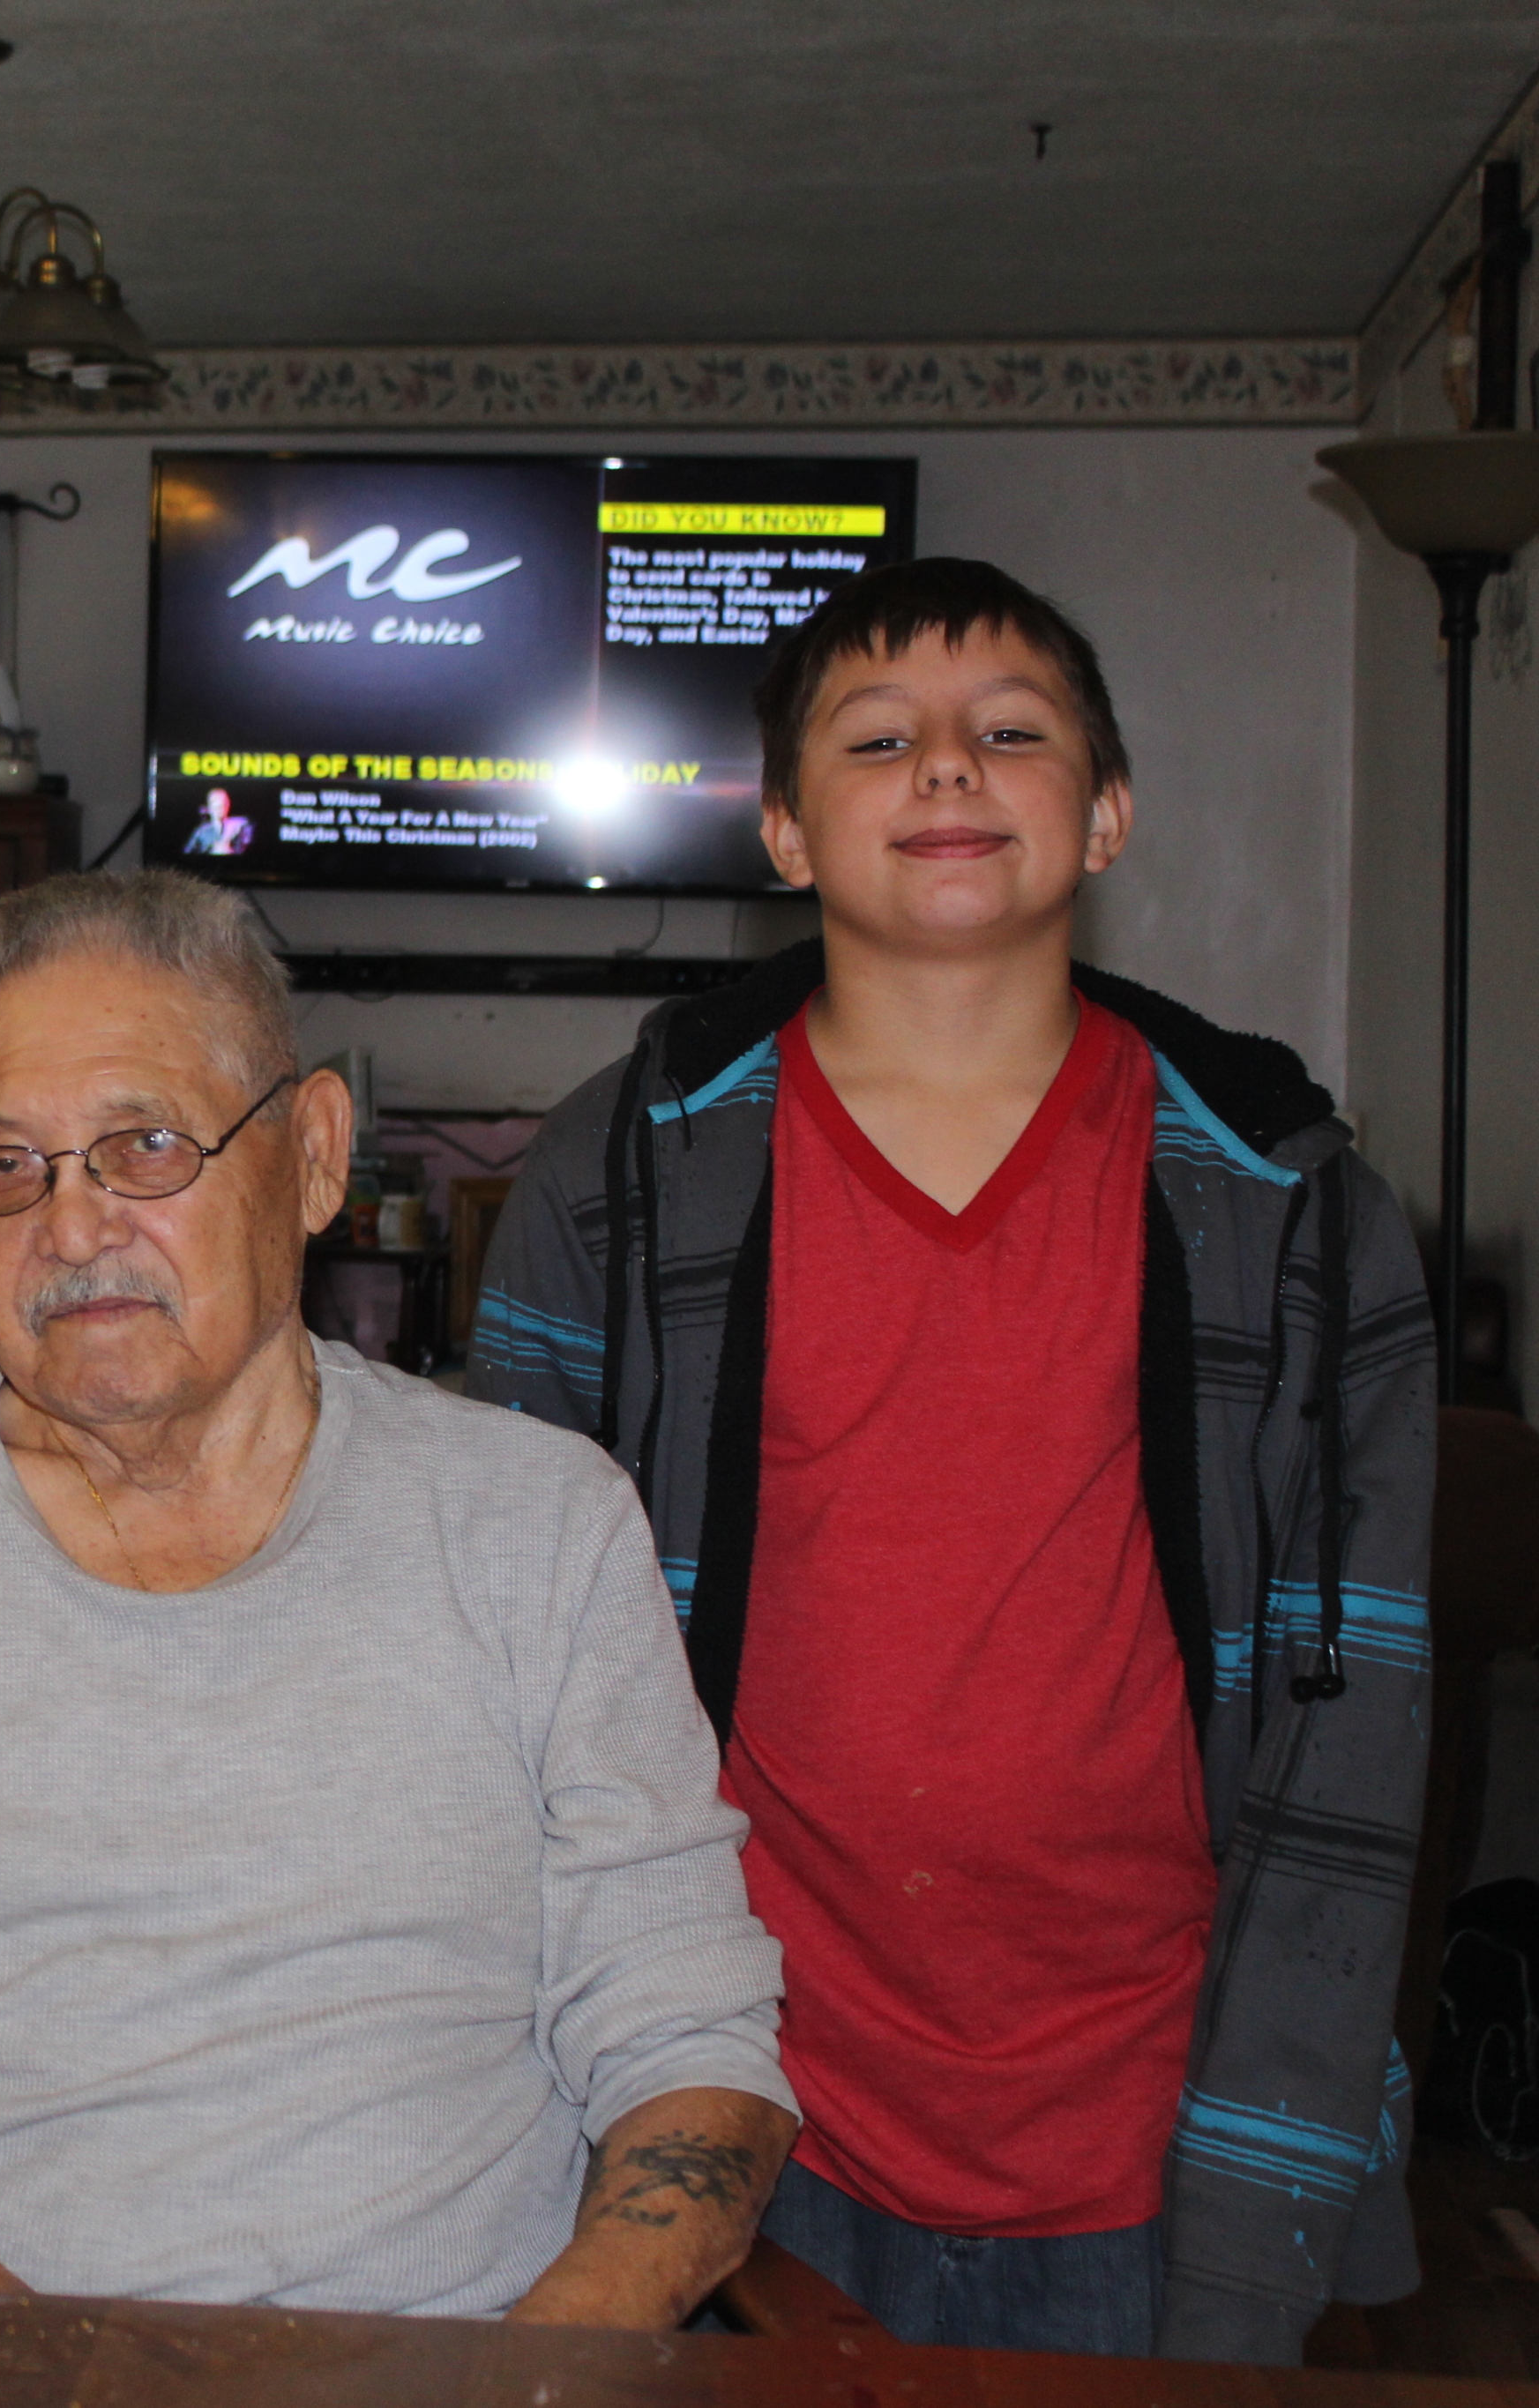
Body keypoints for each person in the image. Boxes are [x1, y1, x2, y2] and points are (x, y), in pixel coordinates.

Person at [0, 870, 796, 2322]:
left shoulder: (536, 1529)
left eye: (144, 1147)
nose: (73, 1228)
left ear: (315, 1156)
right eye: (4, 1168)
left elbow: (685, 2037)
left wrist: (542, 2372)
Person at [473, 558, 1434, 2363]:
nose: (943, 767)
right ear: (780, 829)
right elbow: (507, 1684)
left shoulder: (1294, 1211)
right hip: (736, 2113)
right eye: (874, 739)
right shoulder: (620, 1178)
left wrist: (1262, 2215)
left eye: (1008, 731)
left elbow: (1352, 1754)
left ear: (1107, 814)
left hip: (1149, 2138)